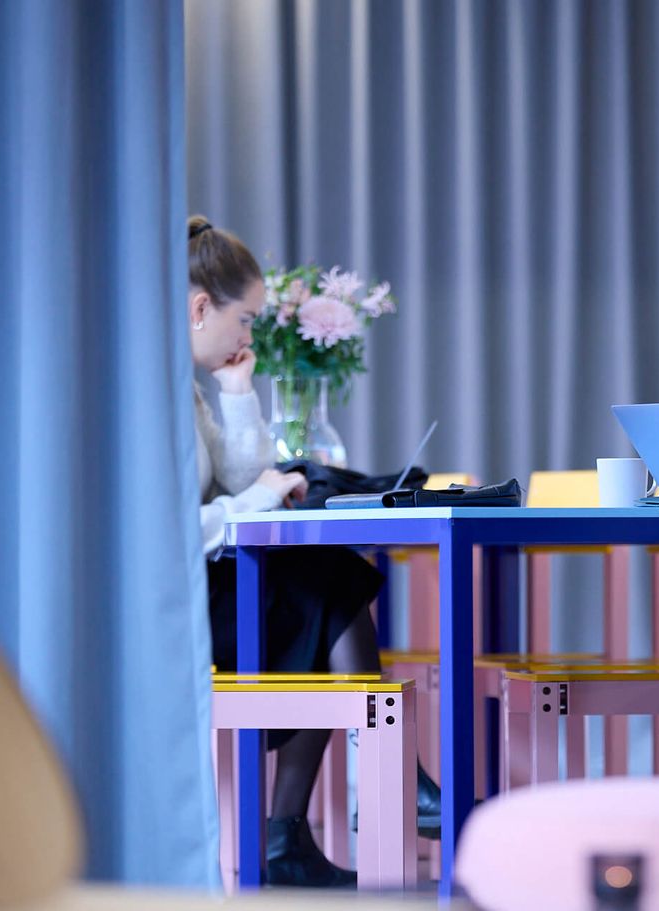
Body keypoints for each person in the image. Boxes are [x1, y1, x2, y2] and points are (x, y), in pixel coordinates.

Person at [187, 216, 439, 886]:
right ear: (199, 306)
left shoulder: (192, 392)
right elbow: (184, 529)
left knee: (329, 587)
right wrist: (263, 497)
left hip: (208, 590)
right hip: (178, 609)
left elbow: (242, 480)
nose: (249, 339)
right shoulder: (153, 398)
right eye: (245, 321)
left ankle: (306, 824)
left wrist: (240, 398)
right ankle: (368, 779)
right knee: (332, 586)